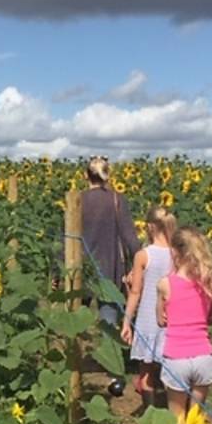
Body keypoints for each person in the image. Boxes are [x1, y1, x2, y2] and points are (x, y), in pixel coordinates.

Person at [82, 156, 141, 397]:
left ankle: (74, 368)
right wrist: (138, 263)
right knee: (109, 324)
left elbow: (66, 237)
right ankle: (115, 375)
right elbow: (129, 237)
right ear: (108, 175)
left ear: (86, 175)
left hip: (80, 271)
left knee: (76, 319)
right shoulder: (117, 200)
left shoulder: (78, 201)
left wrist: (57, 270)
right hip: (109, 269)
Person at [156, 226, 212, 420]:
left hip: (177, 357)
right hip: (203, 356)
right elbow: (210, 319)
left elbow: (160, 321)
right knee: (195, 418)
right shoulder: (208, 283)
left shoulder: (165, 284)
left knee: (178, 418)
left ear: (175, 252)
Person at [121, 206, 176, 410]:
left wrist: (127, 321)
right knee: (172, 372)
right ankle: (175, 413)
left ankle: (149, 415)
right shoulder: (177, 253)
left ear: (150, 227)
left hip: (147, 319)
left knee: (146, 375)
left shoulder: (143, 255)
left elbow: (136, 292)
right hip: (172, 317)